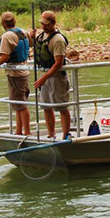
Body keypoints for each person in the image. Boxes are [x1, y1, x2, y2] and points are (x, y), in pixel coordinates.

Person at [0, 12, 31, 136]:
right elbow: (32, 43)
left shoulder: (7, 36)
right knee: (18, 104)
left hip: (16, 74)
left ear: (3, 23)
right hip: (24, 71)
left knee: (21, 105)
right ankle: (18, 131)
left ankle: (27, 132)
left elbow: (4, 57)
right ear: (14, 21)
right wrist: (32, 35)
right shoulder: (23, 32)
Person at [29, 10, 70, 140]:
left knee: (61, 106)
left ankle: (65, 134)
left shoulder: (58, 40)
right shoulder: (42, 36)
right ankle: (51, 133)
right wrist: (32, 38)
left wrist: (44, 78)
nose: (43, 26)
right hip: (45, 76)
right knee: (46, 106)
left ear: (53, 23)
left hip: (56, 77)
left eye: (46, 24)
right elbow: (36, 48)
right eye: (42, 23)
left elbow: (58, 63)